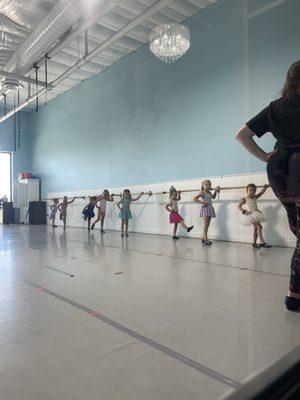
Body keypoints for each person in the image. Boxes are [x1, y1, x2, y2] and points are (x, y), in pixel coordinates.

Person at [236, 60, 300, 310]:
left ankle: (295, 294)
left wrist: (264, 156)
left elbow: (241, 135)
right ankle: (294, 295)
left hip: (280, 169)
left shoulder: (275, 108)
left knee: (297, 229)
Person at [238, 184, 271, 248]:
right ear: (246, 191)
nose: (252, 192)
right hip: (250, 215)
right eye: (250, 190)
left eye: (254, 191)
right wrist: (244, 211)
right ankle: (262, 242)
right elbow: (239, 206)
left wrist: (265, 187)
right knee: (260, 227)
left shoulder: (255, 197)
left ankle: (254, 243)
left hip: (256, 214)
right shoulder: (244, 199)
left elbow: (261, 193)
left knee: (256, 229)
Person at [194, 180, 220, 245]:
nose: (208, 186)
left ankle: (204, 237)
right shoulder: (202, 192)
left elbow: (213, 197)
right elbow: (195, 198)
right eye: (206, 184)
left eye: (209, 184)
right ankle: (205, 238)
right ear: (203, 185)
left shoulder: (209, 192)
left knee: (207, 224)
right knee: (206, 224)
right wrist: (202, 202)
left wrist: (216, 191)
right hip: (205, 209)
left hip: (210, 208)